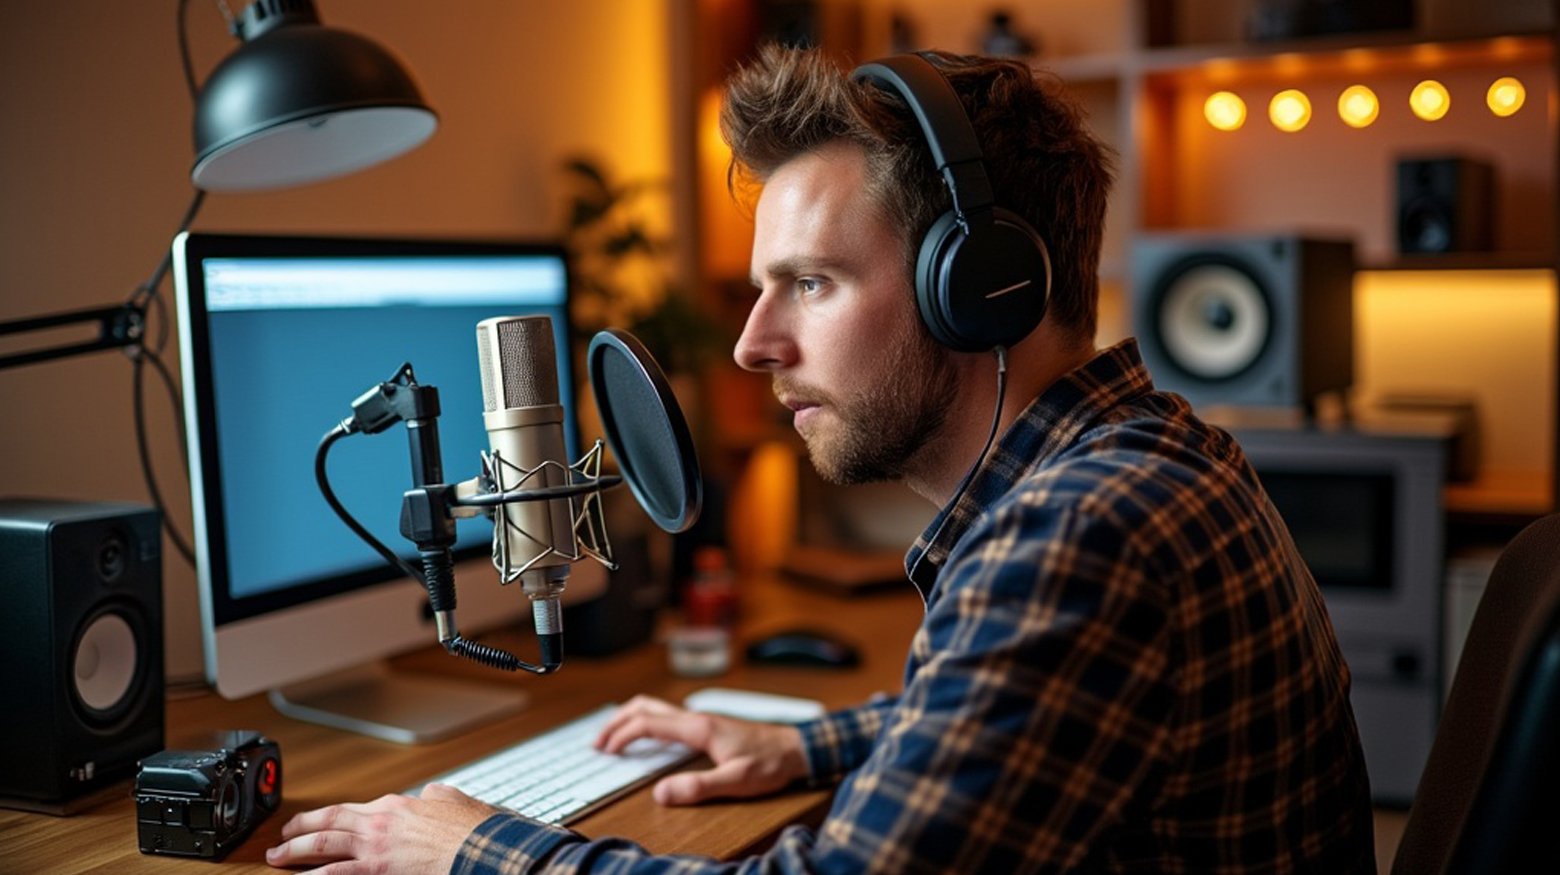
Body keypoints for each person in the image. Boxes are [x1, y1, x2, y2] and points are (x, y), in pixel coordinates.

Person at [267, 44, 1376, 874]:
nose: (753, 343)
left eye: (809, 283)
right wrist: (807, 744)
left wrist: (471, 847)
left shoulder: (1075, 532)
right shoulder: (1151, 455)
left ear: (980, 284)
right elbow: (1037, 710)